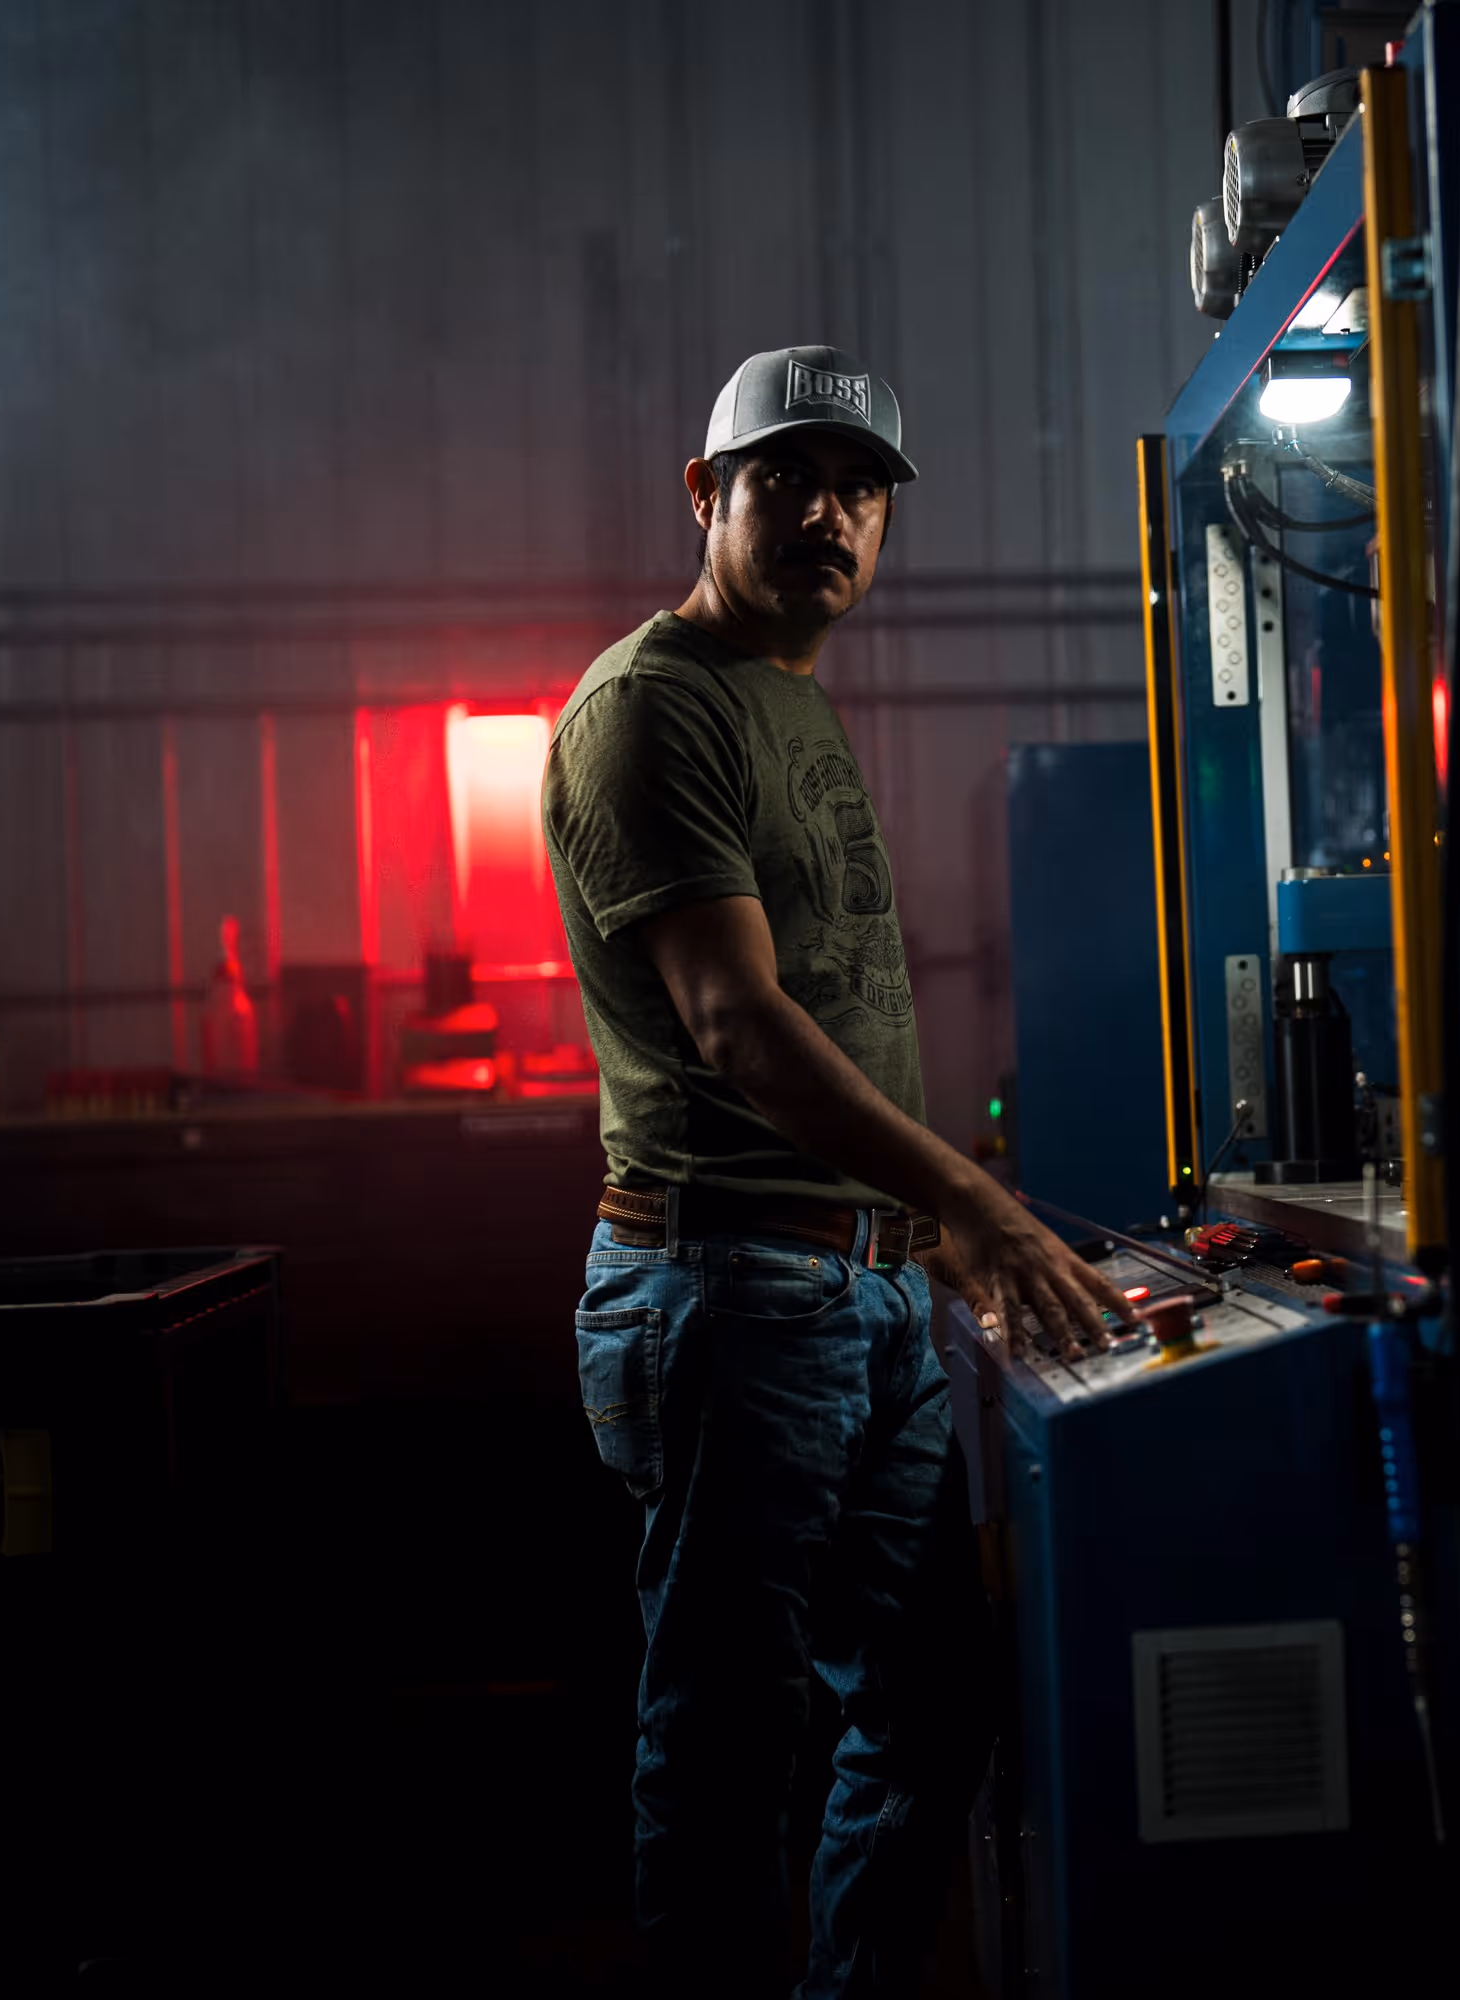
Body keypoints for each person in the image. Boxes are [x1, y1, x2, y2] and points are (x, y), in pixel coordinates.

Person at [544, 345, 1126, 1997]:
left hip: (851, 1284)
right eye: (789, 478)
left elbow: (839, 1010)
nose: (830, 513)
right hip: (728, 1285)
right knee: (726, 1743)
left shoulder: (787, 695)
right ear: (705, 494)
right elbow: (736, 1024)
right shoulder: (649, 711)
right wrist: (973, 1201)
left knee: (937, 1698)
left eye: (861, 486)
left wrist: (920, 1225)